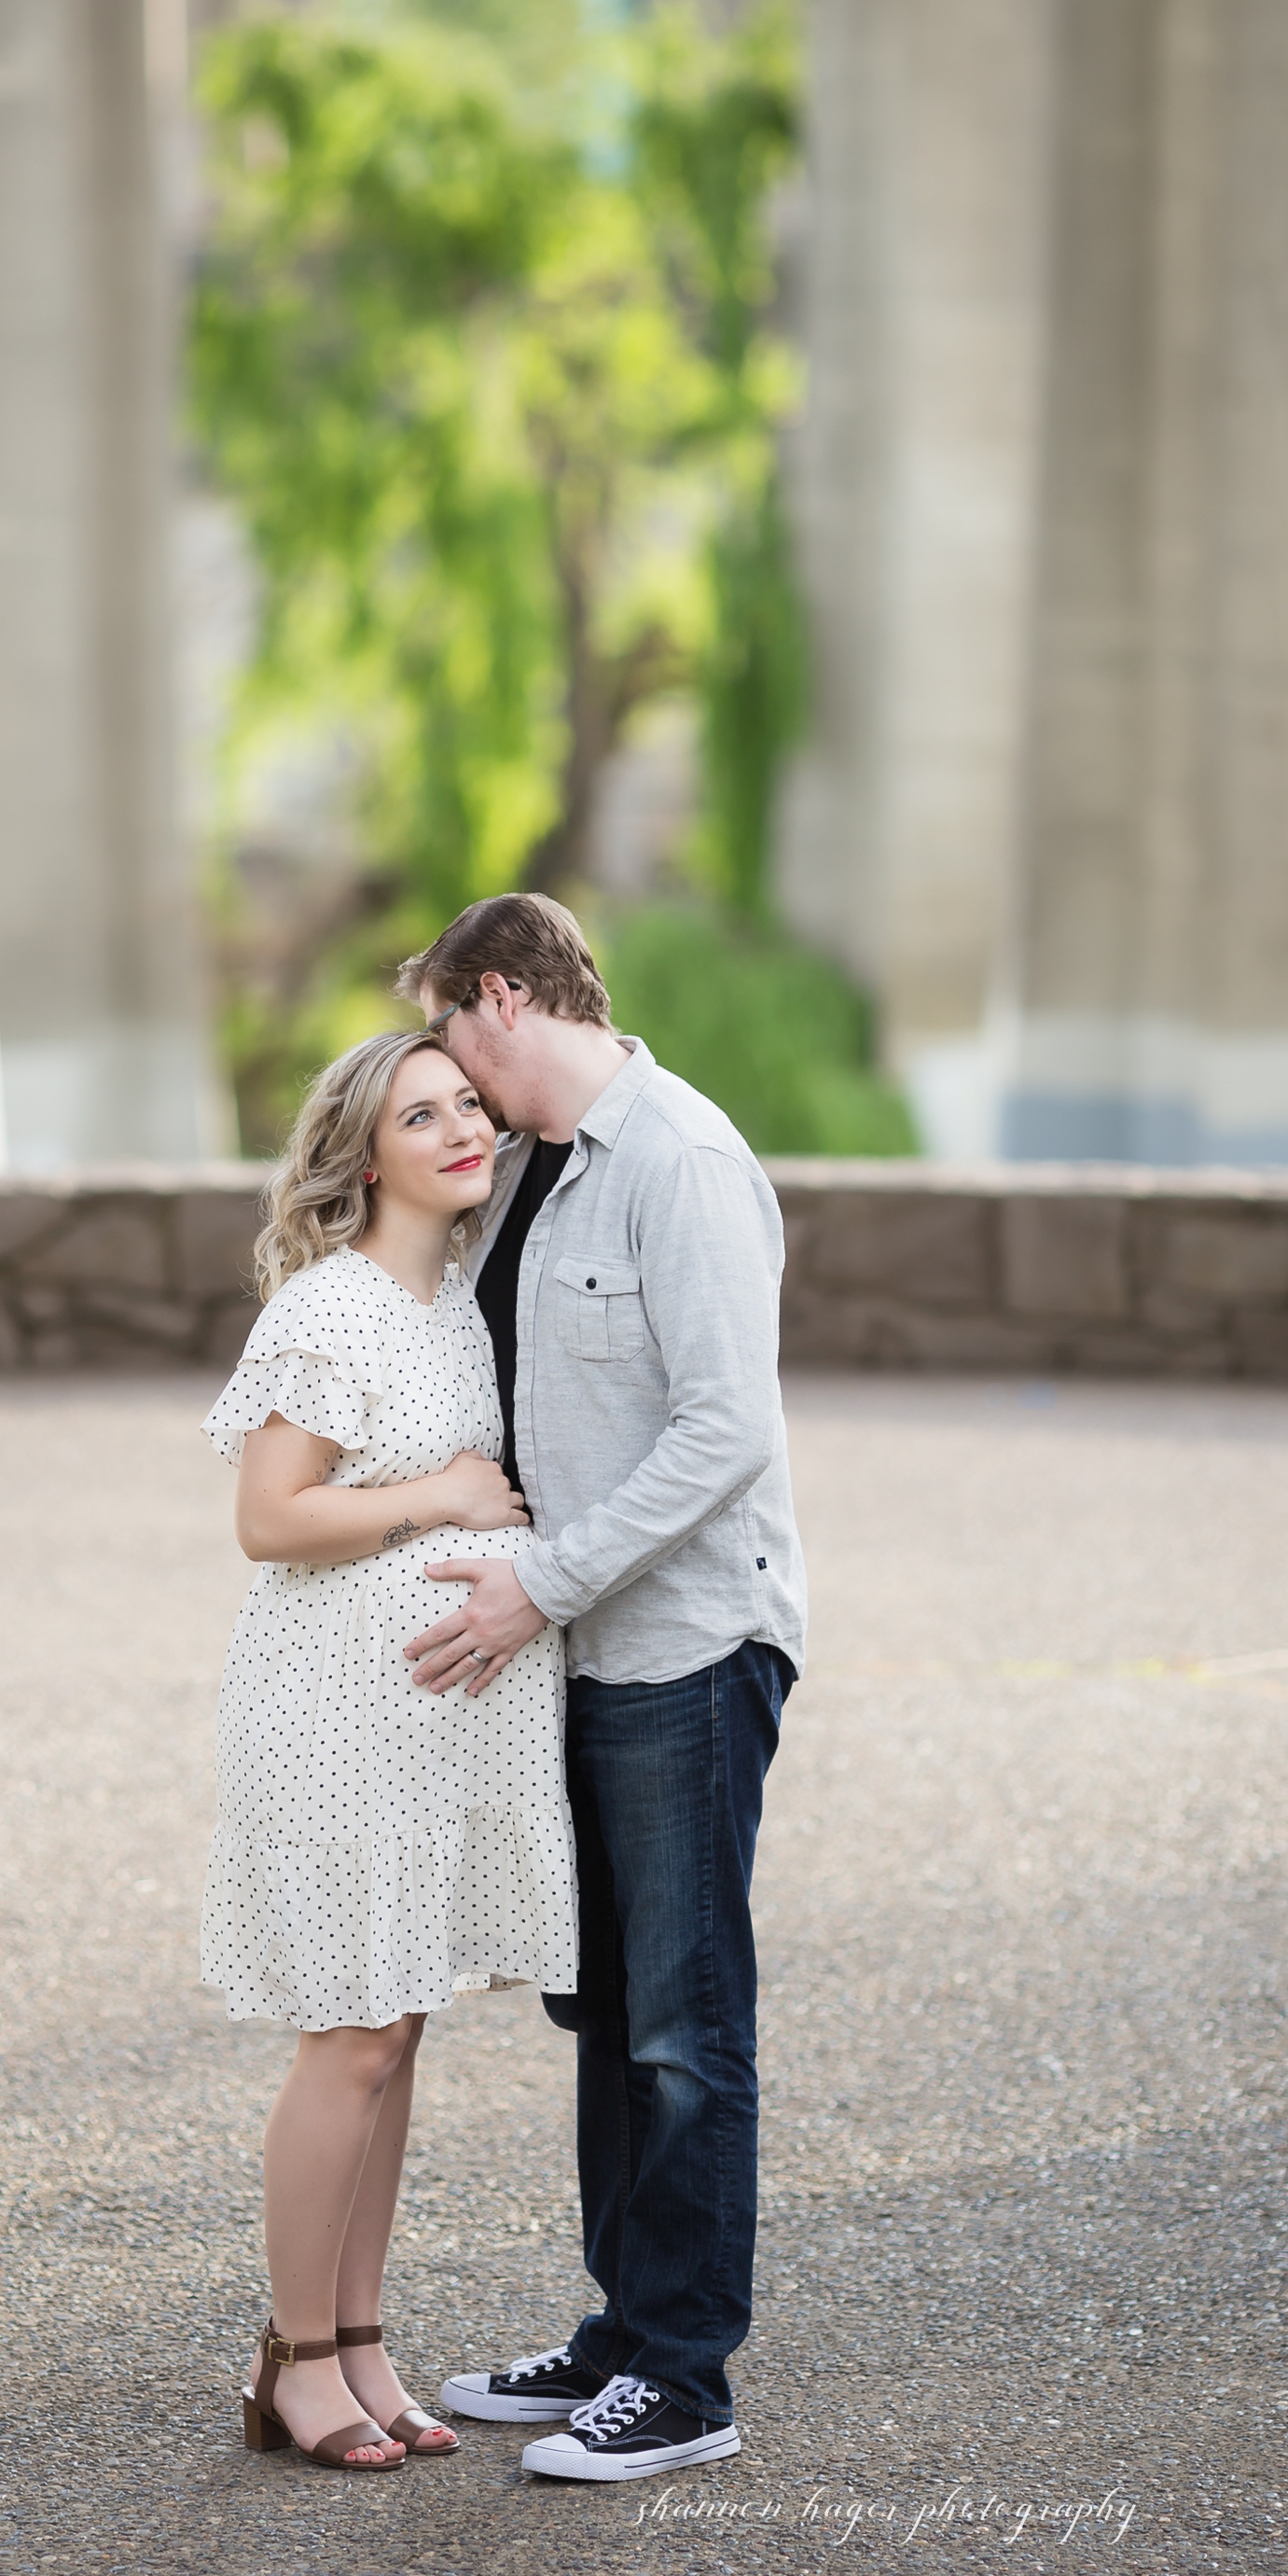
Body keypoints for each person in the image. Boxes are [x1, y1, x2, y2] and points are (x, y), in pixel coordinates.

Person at [397, 893, 807, 2486]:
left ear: (504, 996)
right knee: (611, 2013)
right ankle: (625, 2336)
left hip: (684, 1651)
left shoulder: (682, 1161)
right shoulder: (530, 1174)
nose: (450, 1070)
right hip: (574, 1654)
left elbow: (726, 1432)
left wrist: (542, 1584)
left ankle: (686, 2382)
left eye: (450, 1030)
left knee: (684, 2029)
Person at [200, 1029, 578, 2473]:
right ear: (366, 1156)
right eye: (423, 1115)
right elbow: (270, 1517)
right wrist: (442, 1498)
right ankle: (294, 2359)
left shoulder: (457, 1303)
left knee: (397, 2025)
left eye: (471, 1104)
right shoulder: (334, 1309)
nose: (464, 1128)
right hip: (333, 1721)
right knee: (352, 2034)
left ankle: (359, 2343)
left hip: (433, 1726)